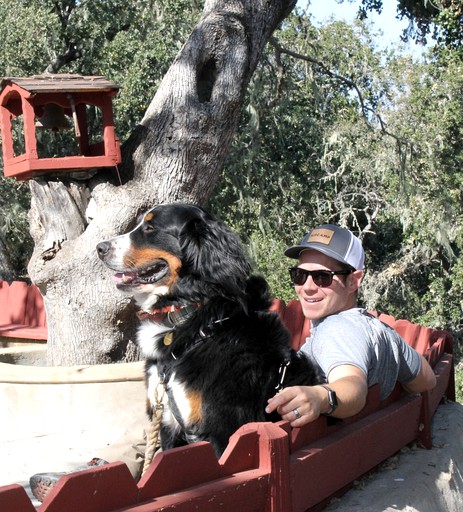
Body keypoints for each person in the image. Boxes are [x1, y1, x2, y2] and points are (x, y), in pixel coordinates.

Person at [265, 223, 436, 426]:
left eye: (322, 277)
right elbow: (427, 379)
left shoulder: (336, 330)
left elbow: (353, 385)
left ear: (354, 281)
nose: (307, 287)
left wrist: (321, 397)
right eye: (299, 275)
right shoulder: (380, 330)